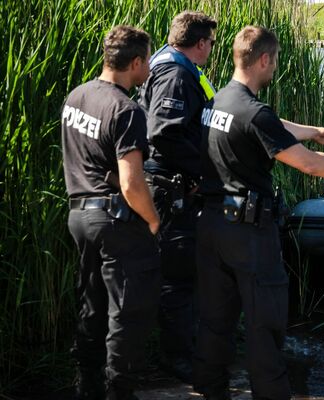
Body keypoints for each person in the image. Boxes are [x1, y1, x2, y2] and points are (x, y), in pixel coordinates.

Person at [193, 26, 324, 400]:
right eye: (275, 61)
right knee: (264, 325)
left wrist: (312, 130)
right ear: (264, 59)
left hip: (212, 227)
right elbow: (309, 166)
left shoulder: (217, 103)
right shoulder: (254, 112)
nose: (275, 68)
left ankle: (209, 390)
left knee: (215, 321)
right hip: (249, 235)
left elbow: (269, 127)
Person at [62, 25, 160, 400]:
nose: (149, 68)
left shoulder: (77, 95)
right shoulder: (126, 109)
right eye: (147, 60)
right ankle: (119, 390)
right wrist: (152, 219)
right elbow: (131, 183)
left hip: (79, 215)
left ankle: (86, 385)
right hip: (114, 220)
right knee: (128, 312)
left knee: (92, 302)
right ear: (134, 62)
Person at [137, 10, 217, 382]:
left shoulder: (173, 66)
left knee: (182, 274)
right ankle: (177, 359)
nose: (211, 50)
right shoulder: (175, 73)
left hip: (175, 184)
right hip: (171, 188)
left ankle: (186, 348)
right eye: (211, 43)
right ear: (200, 43)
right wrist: (199, 172)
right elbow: (164, 133)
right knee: (178, 277)